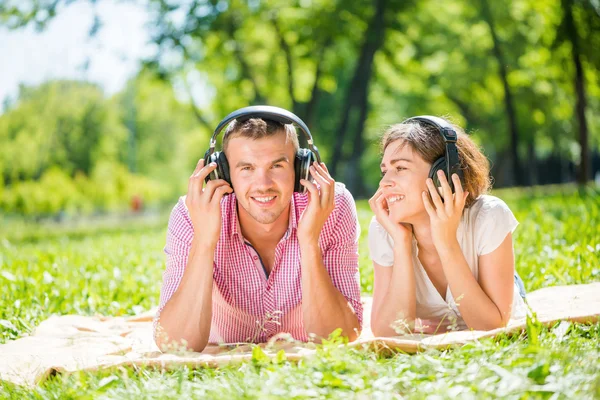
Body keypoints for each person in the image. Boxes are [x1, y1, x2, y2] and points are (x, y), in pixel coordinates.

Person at [154, 106, 362, 352]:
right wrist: (204, 241)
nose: (263, 185)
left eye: (277, 166)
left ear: (300, 169)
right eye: (247, 168)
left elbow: (341, 336)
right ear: (223, 172)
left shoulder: (331, 205)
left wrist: (309, 242)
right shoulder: (192, 214)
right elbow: (175, 344)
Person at [368, 116, 527, 336]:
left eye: (401, 168)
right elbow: (388, 332)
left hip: (496, 281)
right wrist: (402, 244)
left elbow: (491, 326)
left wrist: (446, 242)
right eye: (385, 171)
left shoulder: (489, 216)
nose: (384, 183)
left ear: (444, 174)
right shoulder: (383, 229)